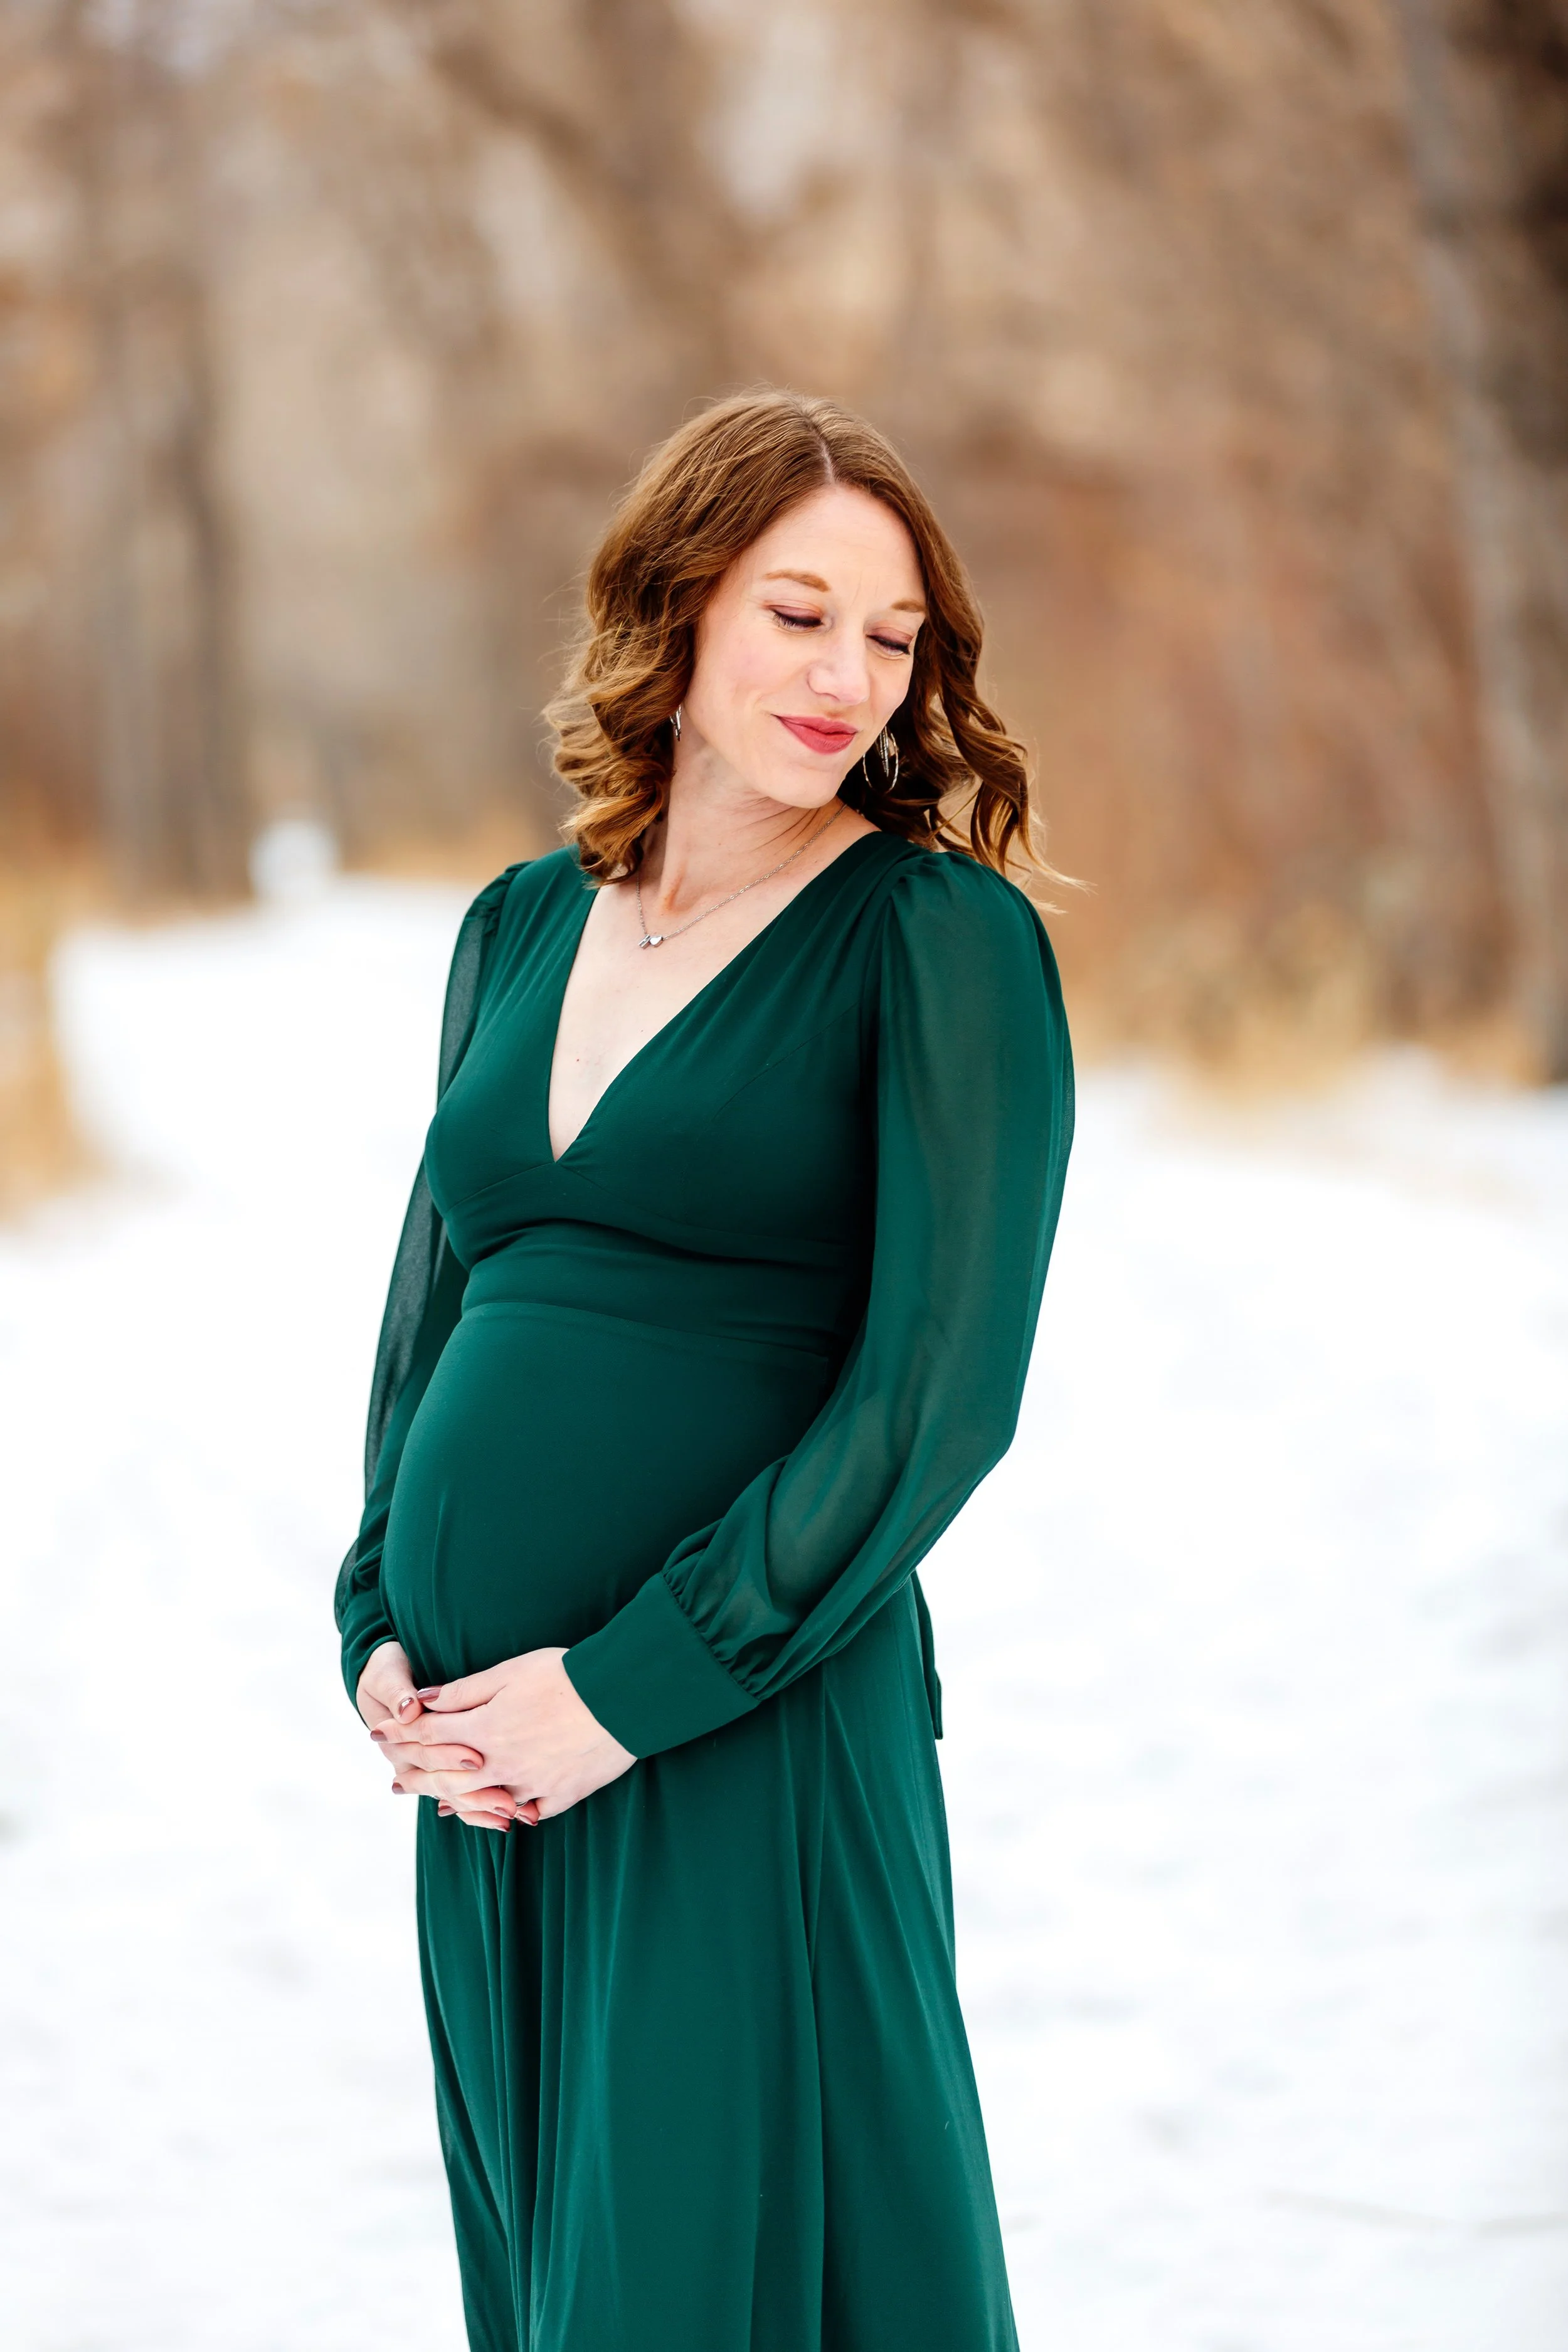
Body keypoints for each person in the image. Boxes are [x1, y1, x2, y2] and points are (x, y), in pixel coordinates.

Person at [336, 389, 1074, 2352]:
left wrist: (622, 1688)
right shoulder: (515, 926)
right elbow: (434, 1314)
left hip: (736, 1727)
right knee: (558, 2282)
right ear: (673, 604)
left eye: (890, 638)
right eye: (797, 615)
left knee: (701, 2282)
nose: (848, 678)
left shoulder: (934, 940)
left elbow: (936, 1400)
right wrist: (377, 1621)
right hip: (488, 1774)